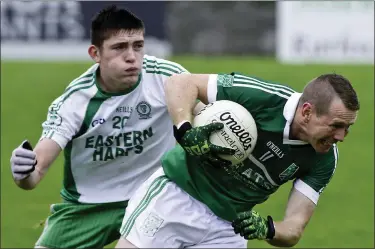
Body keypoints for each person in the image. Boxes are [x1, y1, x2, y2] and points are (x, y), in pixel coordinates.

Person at [9, 5, 191, 249]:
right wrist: (23, 172)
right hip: (88, 207)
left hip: (154, 197)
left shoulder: (167, 78)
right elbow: (36, 173)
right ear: (95, 53)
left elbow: (207, 117)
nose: (131, 57)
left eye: (138, 46)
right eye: (119, 47)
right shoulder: (74, 102)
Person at [115, 72, 359, 248]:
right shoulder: (264, 97)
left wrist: (268, 229)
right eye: (336, 126)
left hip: (227, 230)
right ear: (306, 111)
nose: (341, 136)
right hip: (174, 197)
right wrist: (185, 130)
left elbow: (294, 229)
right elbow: (180, 83)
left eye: (347, 128)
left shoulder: (324, 159)